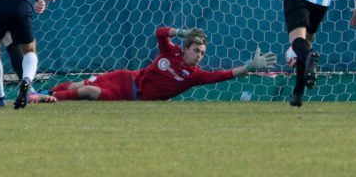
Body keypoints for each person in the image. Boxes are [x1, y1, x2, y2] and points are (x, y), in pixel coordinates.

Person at [48, 27, 277, 101]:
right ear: (185, 48)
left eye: (203, 52)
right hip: (124, 77)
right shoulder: (171, 51)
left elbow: (223, 74)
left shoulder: (194, 76)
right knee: (75, 84)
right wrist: (181, 31)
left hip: (130, 95)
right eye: (196, 50)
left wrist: (249, 66)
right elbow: (159, 33)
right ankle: (44, 92)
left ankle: (46, 99)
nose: (199, 55)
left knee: (87, 90)